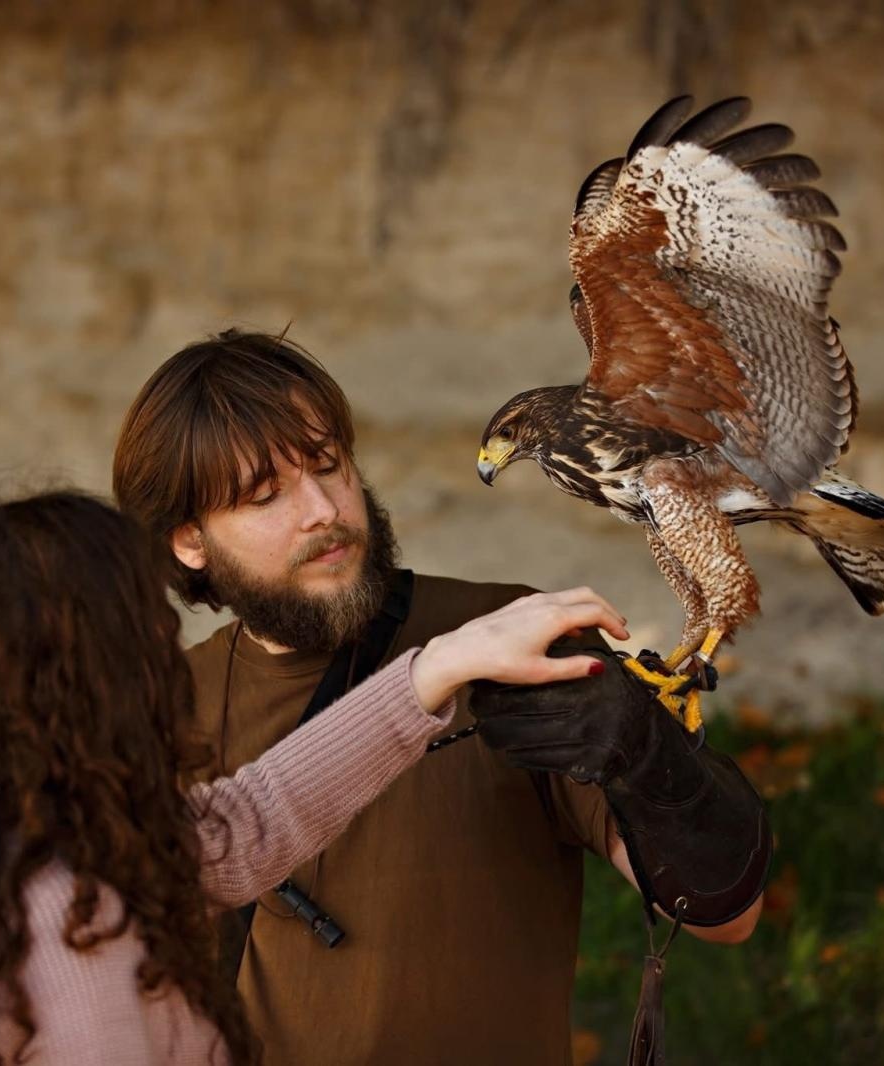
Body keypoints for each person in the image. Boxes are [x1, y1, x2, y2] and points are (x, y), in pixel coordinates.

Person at [0, 492, 632, 1066]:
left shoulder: (2, 853)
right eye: (139, 620)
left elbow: (256, 816)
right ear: (95, 666)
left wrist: (446, 661)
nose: (164, 638)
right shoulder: (77, 921)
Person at [108, 330, 770, 1065]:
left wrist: (648, 754)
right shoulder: (157, 713)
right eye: (266, 496)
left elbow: (727, 918)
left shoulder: (510, 640)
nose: (323, 509)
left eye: (329, 465)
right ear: (191, 541)